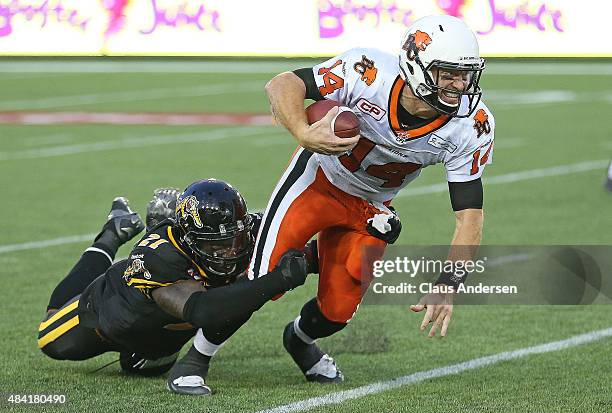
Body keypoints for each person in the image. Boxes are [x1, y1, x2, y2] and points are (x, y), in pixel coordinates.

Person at [254, 14, 495, 383]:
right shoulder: (368, 73)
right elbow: (281, 84)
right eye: (447, 74)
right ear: (416, 65)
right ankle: (196, 352)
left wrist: (448, 284)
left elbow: (469, 218)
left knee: (336, 311)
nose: (458, 85)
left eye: (465, 75)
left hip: (371, 205)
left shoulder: (471, 124)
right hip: (320, 178)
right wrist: (303, 131)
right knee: (262, 280)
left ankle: (299, 338)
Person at [38, 180, 312, 395]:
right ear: (189, 238)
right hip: (107, 317)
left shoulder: (252, 230)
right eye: (214, 245)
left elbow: (312, 249)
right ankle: (112, 233)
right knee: (49, 339)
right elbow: (202, 311)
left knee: (138, 368)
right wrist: (279, 279)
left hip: (160, 339)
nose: (228, 252)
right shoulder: (158, 256)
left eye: (234, 240)